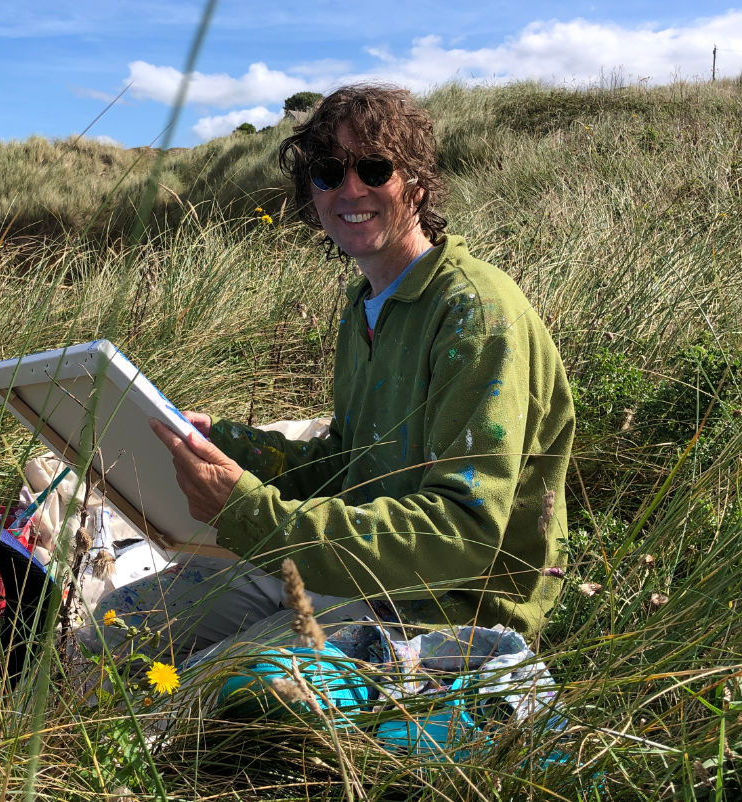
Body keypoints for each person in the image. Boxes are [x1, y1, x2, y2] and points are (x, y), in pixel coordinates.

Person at [98, 83, 574, 664]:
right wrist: (224, 445)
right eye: (328, 172)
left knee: (212, 685)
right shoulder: (365, 306)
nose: (351, 189)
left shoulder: (473, 311)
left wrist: (250, 513)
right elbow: (349, 466)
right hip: (350, 566)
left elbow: (461, 534)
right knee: (118, 625)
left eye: (375, 168)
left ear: (417, 185)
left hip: (446, 606)